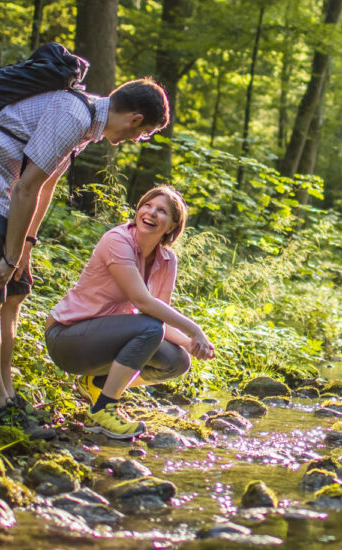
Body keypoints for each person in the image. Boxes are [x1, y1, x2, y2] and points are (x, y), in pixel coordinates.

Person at [0, 76, 169, 432]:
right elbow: (27, 187)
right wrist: (9, 258)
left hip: (2, 192)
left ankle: (9, 396)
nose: (134, 140)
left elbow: (46, 186)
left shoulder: (87, 123)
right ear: (135, 119)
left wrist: (25, 247)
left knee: (15, 292)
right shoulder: (73, 116)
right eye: (142, 134)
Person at [44, 184, 215, 439]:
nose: (151, 213)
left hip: (106, 340)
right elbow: (144, 303)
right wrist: (195, 329)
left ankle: (97, 384)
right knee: (149, 328)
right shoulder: (117, 240)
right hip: (67, 338)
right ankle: (103, 410)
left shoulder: (167, 260)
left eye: (162, 211)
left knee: (177, 361)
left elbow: (159, 315)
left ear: (171, 226)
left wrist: (189, 343)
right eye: (147, 206)